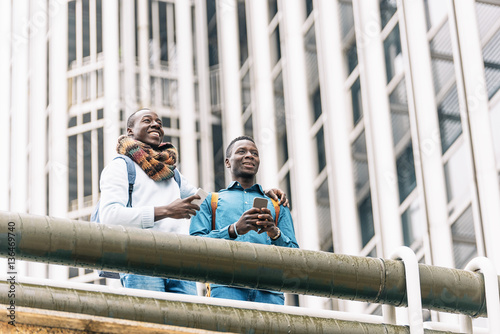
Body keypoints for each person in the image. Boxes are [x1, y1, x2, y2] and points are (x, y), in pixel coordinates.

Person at [99, 109, 288, 295]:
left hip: (180, 263)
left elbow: (210, 202)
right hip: (141, 259)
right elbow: (110, 217)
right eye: (147, 120)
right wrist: (166, 211)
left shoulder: (172, 175)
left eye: (159, 122)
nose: (156, 124)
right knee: (151, 323)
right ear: (130, 131)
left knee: (187, 325)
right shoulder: (121, 166)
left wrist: (259, 194)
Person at [190, 135, 299, 305]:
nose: (249, 155)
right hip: (225, 289)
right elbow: (194, 246)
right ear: (227, 162)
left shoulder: (277, 204)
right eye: (241, 151)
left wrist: (274, 233)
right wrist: (233, 230)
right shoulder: (209, 201)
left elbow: (295, 257)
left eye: (254, 153)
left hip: (269, 293)